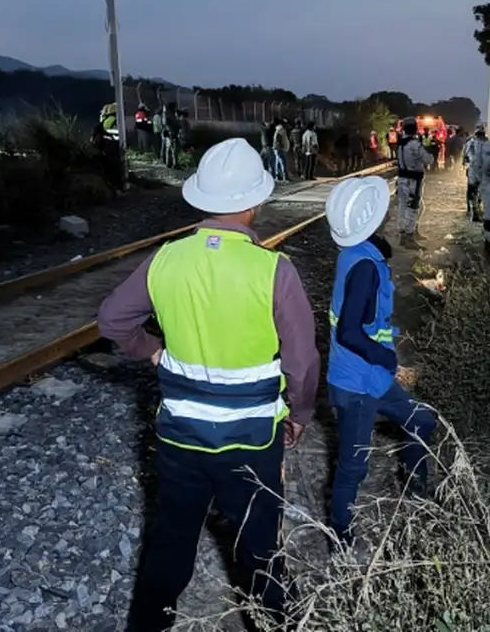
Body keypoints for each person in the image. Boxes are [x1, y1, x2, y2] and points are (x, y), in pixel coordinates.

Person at [96, 138, 320, 629]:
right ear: (255, 202)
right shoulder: (273, 270)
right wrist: (300, 414)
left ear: (201, 199)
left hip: (181, 437)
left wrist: (151, 349)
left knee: (171, 541)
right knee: (259, 548)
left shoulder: (166, 259)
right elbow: (302, 363)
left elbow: (113, 320)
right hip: (251, 440)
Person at [325, 176, 436, 546]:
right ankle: (341, 539)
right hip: (358, 383)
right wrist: (386, 354)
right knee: (353, 465)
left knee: (421, 420)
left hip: (369, 377)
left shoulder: (356, 254)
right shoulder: (365, 267)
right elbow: (349, 331)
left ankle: (417, 495)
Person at [397, 117, 433, 249]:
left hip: (402, 180)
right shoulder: (414, 144)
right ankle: (409, 237)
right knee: (413, 208)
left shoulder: (401, 144)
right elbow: (428, 160)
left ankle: (404, 235)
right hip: (413, 181)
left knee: (403, 207)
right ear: (415, 128)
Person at [464, 126, 487, 221]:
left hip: (473, 169)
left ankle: (473, 209)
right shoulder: (487, 143)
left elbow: (466, 155)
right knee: (478, 190)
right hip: (481, 170)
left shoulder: (470, 142)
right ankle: (475, 208)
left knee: (472, 189)